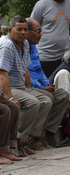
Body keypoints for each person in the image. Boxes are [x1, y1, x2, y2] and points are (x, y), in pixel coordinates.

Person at [0, 16, 57, 155]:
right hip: (9, 87)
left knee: (46, 99)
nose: (23, 32)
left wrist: (29, 89)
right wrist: (10, 98)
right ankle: (18, 140)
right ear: (10, 30)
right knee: (32, 102)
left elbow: (26, 70)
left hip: (21, 86)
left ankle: (31, 137)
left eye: (25, 29)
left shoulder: (25, 44)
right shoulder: (7, 46)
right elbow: (2, 74)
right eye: (19, 29)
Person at [26, 18, 69, 146]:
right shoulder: (18, 47)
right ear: (28, 32)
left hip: (38, 85)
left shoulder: (33, 48)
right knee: (47, 97)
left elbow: (38, 70)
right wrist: (42, 88)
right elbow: (24, 74)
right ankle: (34, 136)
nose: (41, 34)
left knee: (62, 94)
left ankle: (48, 130)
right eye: (38, 31)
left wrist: (47, 85)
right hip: (25, 86)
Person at [30, 0, 70, 77]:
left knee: (62, 87)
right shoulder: (41, 5)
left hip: (63, 56)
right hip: (43, 56)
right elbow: (32, 28)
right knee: (45, 88)